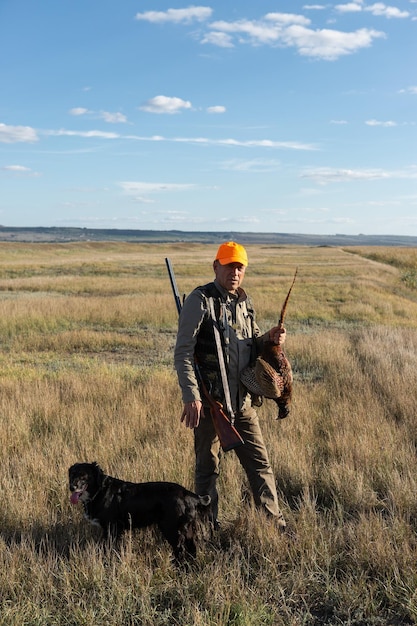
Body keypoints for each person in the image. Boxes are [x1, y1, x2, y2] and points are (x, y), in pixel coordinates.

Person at [174, 241, 287, 529]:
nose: (234, 272)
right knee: (207, 471)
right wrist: (192, 397)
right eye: (229, 266)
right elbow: (183, 352)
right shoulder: (199, 300)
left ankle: (276, 526)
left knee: (260, 465)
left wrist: (270, 339)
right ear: (216, 266)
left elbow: (254, 343)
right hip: (212, 404)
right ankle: (205, 529)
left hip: (243, 404)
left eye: (240, 267)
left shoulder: (245, 303)